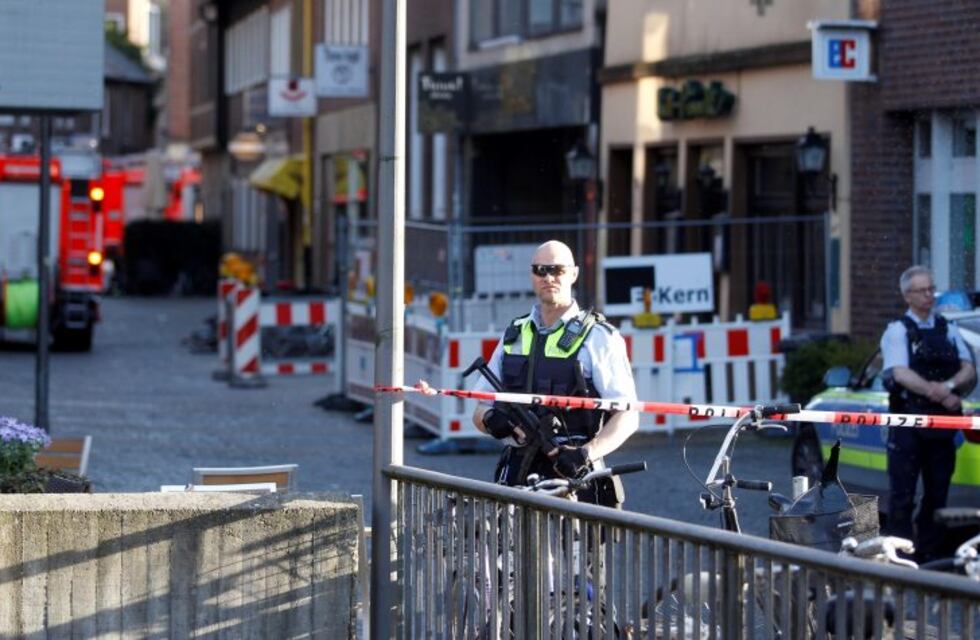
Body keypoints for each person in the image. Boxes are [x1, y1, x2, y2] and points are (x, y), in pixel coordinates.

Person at [471, 240, 639, 507]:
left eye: (557, 270)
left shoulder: (599, 337)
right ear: (531, 276)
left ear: (573, 274)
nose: (548, 277)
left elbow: (628, 415)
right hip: (518, 478)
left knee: (581, 550)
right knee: (514, 550)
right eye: (540, 270)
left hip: (575, 477)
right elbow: (480, 409)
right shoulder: (514, 333)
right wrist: (491, 419)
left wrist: (587, 452)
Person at [880, 265, 976, 562]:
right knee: (902, 496)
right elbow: (900, 373)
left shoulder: (948, 328)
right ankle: (900, 554)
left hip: (941, 425)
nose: (928, 296)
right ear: (907, 296)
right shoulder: (898, 330)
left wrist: (947, 387)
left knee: (937, 493)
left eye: (930, 289)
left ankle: (929, 552)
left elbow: (968, 369)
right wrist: (937, 392)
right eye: (921, 290)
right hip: (908, 423)